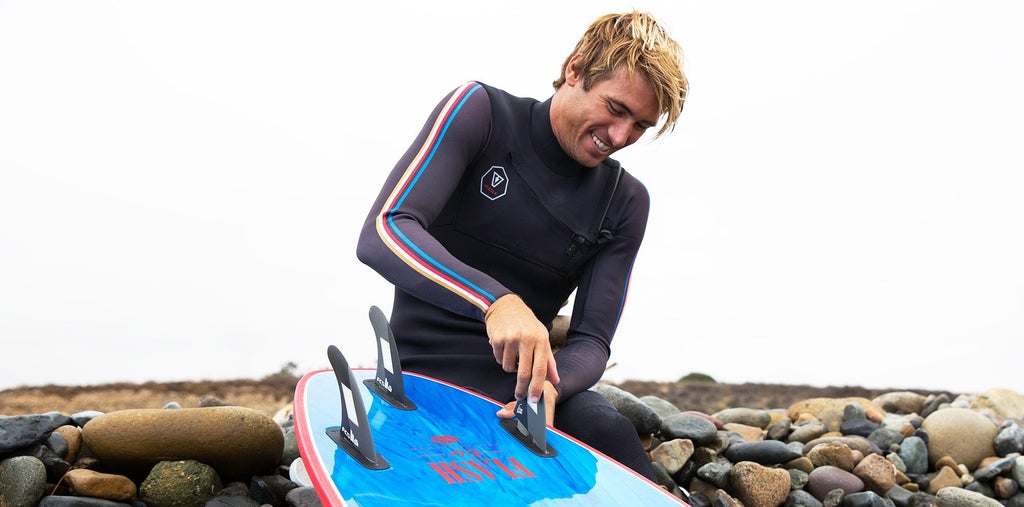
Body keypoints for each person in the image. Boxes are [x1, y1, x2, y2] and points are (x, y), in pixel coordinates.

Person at [356, 11, 687, 481]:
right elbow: (385, 231)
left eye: (639, 126)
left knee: (605, 427)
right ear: (575, 70)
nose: (619, 137)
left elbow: (592, 340)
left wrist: (553, 387)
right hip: (424, 377)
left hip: (526, 396)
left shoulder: (625, 200)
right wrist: (497, 303)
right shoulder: (482, 113)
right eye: (616, 109)